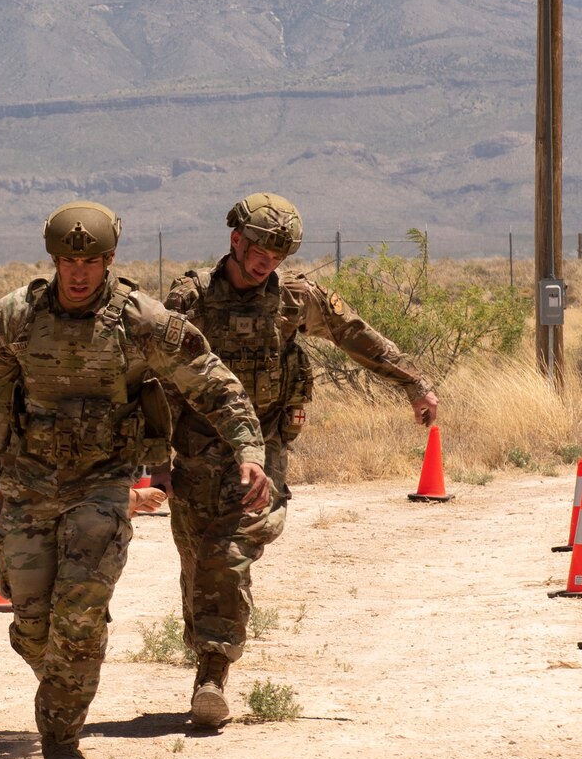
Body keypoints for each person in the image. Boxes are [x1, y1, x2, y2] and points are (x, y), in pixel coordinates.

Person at [0, 202, 268, 759]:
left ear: (109, 261)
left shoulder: (141, 321)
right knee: (32, 621)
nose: (79, 273)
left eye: (92, 261)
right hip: (28, 482)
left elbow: (213, 383)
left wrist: (248, 449)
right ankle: (63, 674)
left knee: (80, 609)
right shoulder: (16, 317)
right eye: (68, 261)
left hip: (102, 483)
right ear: (54, 261)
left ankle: (60, 734)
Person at [163, 193, 438, 727]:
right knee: (197, 561)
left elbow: (353, 334)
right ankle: (206, 652)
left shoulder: (294, 298)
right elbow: (147, 365)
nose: (269, 261)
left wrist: (414, 383)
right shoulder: (190, 298)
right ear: (236, 240)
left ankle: (213, 674)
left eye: (280, 253)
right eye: (262, 249)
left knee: (230, 550)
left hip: (262, 450)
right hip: (197, 448)